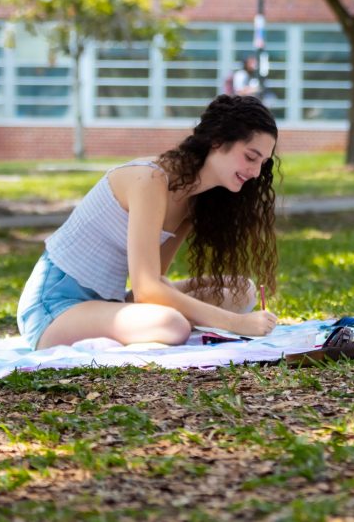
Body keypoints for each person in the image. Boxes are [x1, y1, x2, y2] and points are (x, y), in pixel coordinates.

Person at [17, 95, 280, 350]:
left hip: (110, 301)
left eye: (263, 163)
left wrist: (224, 314)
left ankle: (154, 323)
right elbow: (147, 290)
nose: (256, 173)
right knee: (172, 325)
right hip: (54, 306)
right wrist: (237, 324)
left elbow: (155, 282)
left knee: (241, 292)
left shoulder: (193, 204)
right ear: (217, 141)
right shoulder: (150, 180)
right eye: (250, 157)